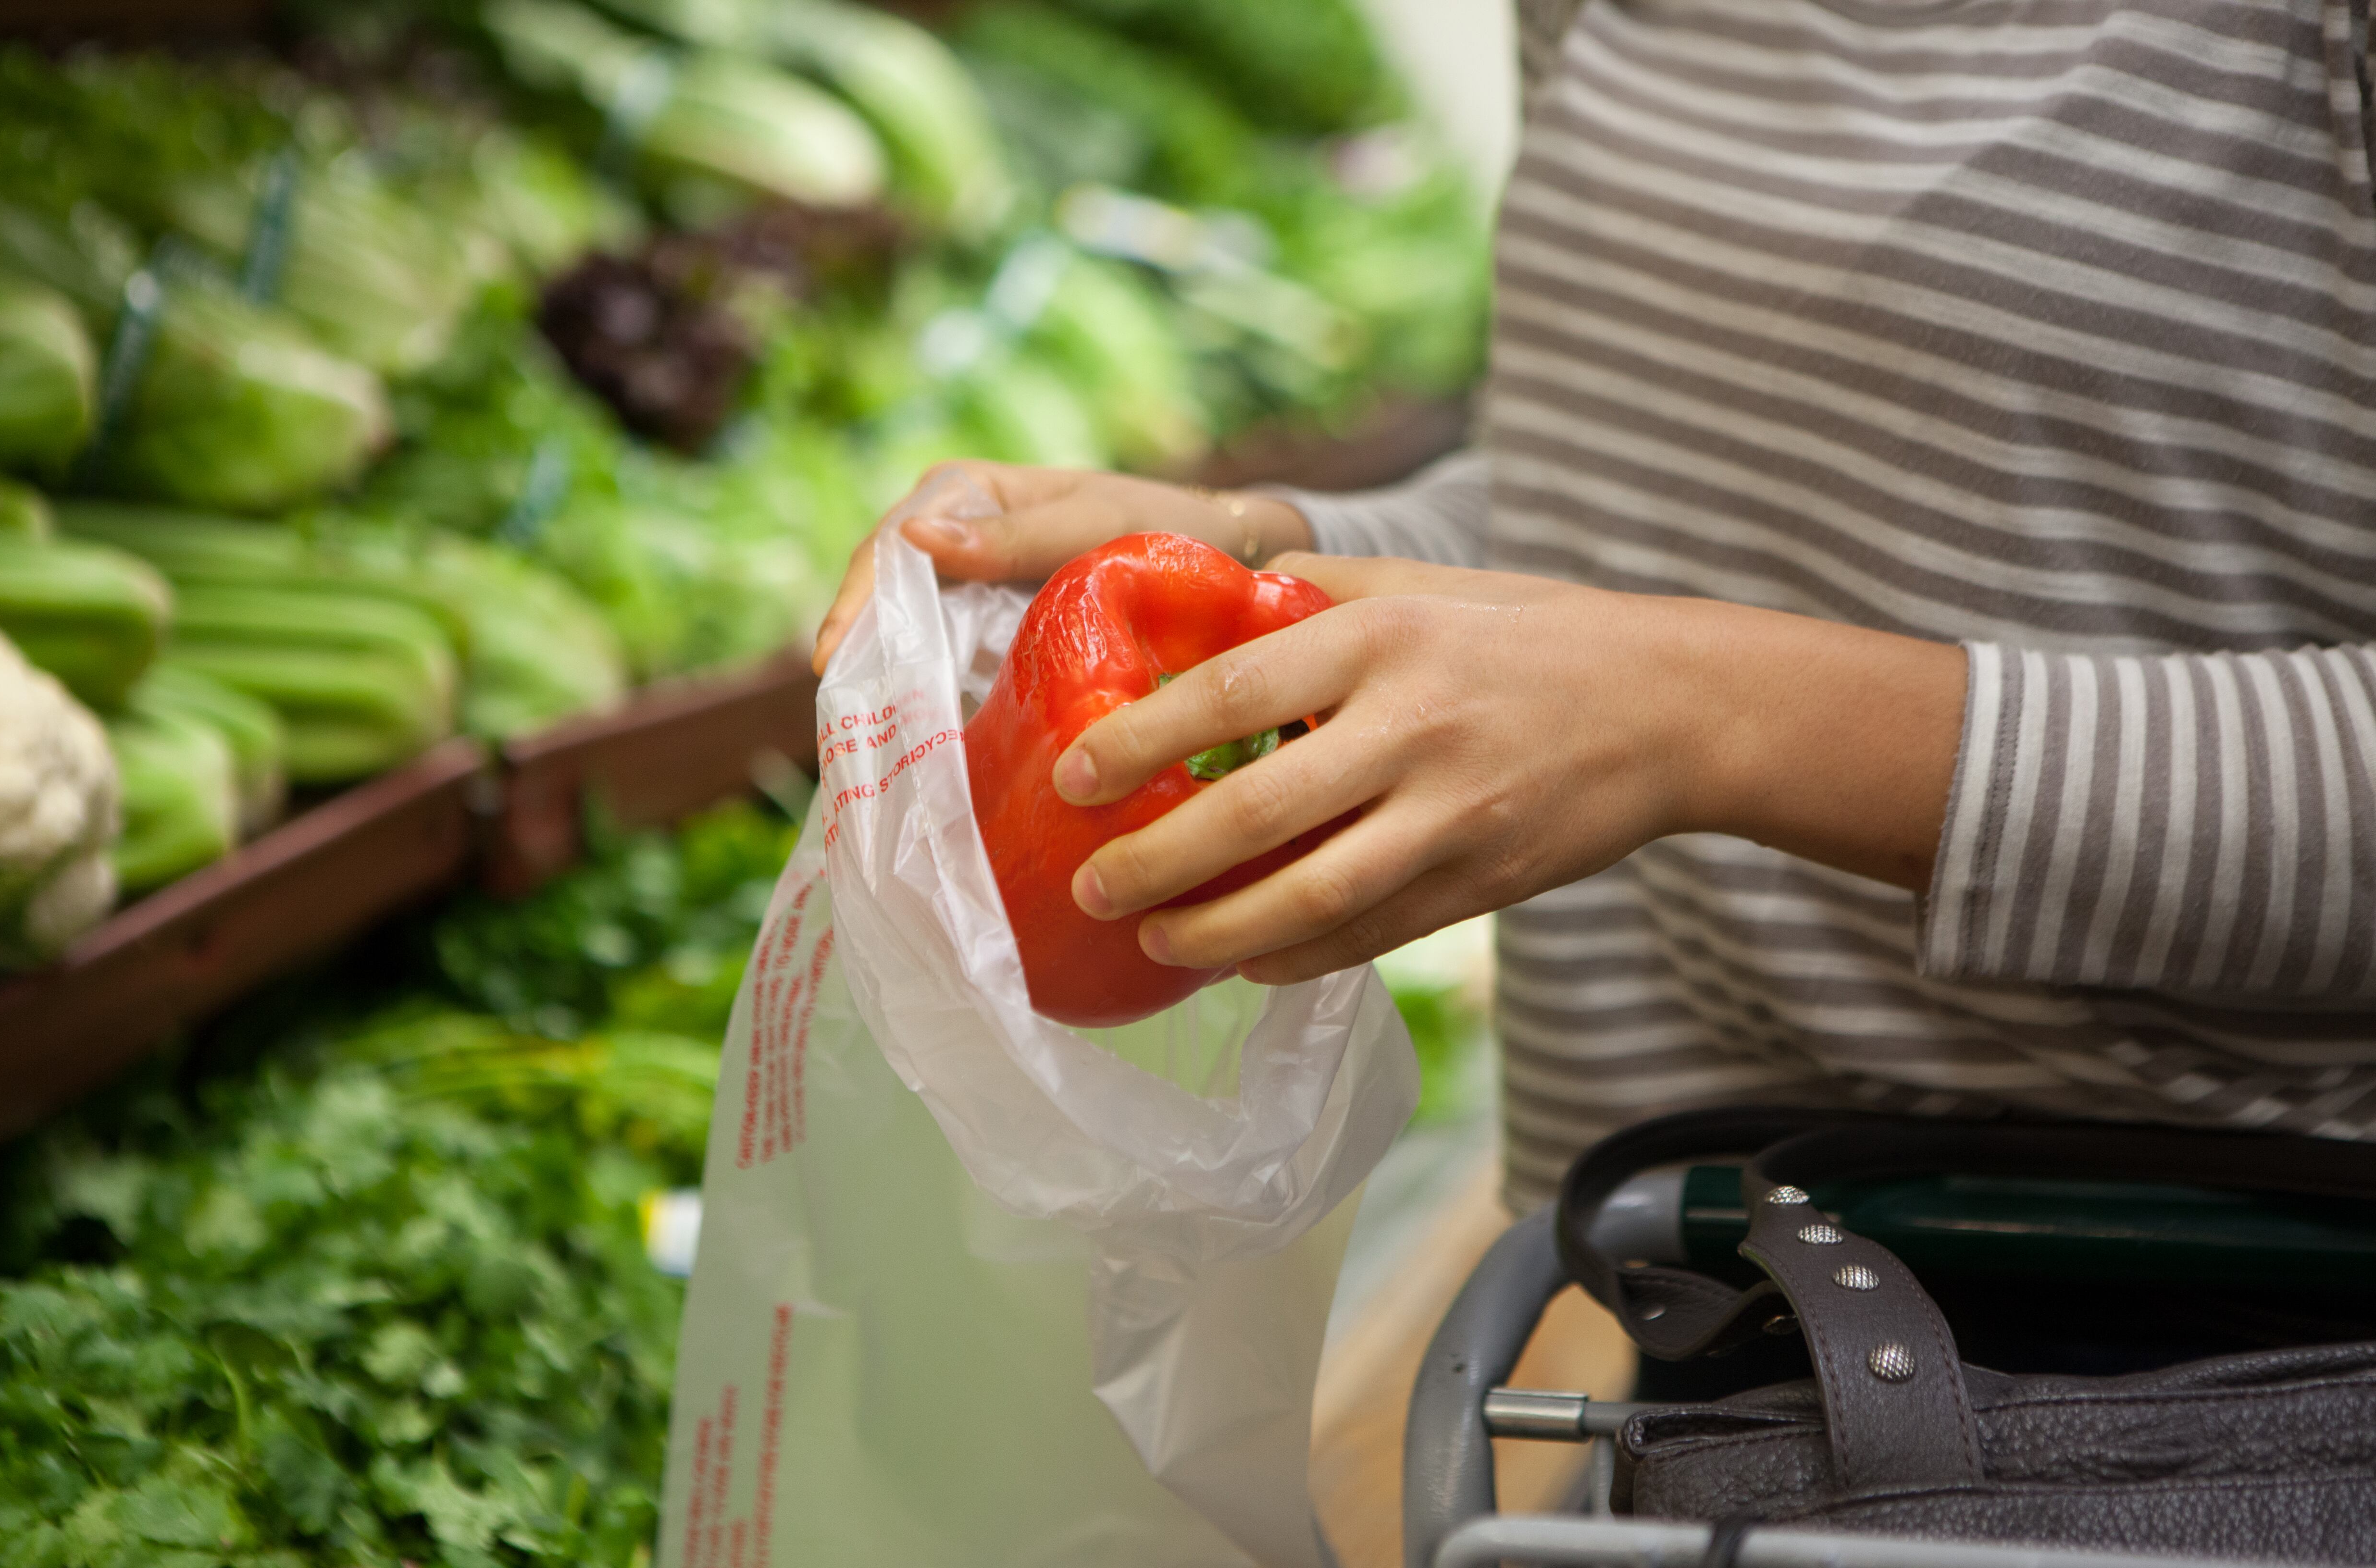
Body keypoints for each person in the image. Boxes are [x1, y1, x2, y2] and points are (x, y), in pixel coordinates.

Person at [819, 0, 2376, 1217]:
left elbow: (1680, 659)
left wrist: (1703, 719)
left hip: (2203, 1304)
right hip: (1705, 1270)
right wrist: (1257, 555)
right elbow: (1650, 490)